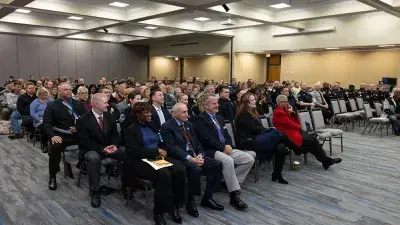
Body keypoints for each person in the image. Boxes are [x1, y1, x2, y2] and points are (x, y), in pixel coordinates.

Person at [124, 102, 187, 225]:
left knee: (180, 169)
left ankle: (176, 205)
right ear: (137, 114)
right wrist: (155, 151)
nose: (149, 114)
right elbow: (133, 151)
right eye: (146, 112)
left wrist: (163, 150)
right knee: (164, 174)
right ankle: (159, 211)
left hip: (158, 157)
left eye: (150, 111)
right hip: (142, 160)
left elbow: (161, 141)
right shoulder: (131, 130)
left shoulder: (152, 125)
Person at [161, 103, 224, 218]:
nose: (187, 115)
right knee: (195, 169)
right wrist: (191, 158)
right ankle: (190, 201)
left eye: (187, 111)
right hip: (179, 157)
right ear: (174, 114)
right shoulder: (167, 126)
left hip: (194, 155)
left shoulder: (189, 125)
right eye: (184, 112)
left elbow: (197, 142)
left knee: (217, 164)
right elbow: (172, 148)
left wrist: (200, 155)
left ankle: (208, 198)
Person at [194, 94, 255, 211]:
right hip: (211, 150)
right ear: (206, 106)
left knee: (249, 159)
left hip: (225, 148)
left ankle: (227, 182)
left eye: (217, 103)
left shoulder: (219, 118)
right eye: (213, 103)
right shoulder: (200, 119)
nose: (217, 105)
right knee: (228, 161)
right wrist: (223, 147)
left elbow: (227, 135)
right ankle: (234, 195)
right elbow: (206, 139)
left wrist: (227, 145)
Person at [76, 93, 125, 208]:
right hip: (92, 150)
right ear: (96, 104)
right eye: (105, 102)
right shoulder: (83, 120)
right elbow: (83, 142)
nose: (108, 104)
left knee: (124, 151)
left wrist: (114, 145)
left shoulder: (109, 116)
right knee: (93, 158)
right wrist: (102, 149)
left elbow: (115, 135)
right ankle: (95, 190)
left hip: (108, 147)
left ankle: (127, 185)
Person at [273, 95, 342, 170]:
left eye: (287, 101)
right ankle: (326, 161)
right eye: (285, 101)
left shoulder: (285, 111)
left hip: (294, 133)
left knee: (313, 141)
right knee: (314, 141)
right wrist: (298, 126)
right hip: (289, 137)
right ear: (280, 103)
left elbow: (296, 123)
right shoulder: (279, 113)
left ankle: (326, 161)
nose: (287, 103)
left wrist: (292, 113)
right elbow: (293, 125)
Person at [235, 92, 290, 184]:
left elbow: (259, 127)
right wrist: (268, 130)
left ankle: (277, 174)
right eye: (252, 100)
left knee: (281, 147)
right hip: (247, 142)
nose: (255, 101)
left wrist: (268, 131)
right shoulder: (243, 115)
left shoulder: (253, 112)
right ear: (246, 103)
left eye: (254, 99)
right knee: (279, 134)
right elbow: (252, 129)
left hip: (257, 138)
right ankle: (293, 146)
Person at [43, 82, 87, 191]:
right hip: (60, 135)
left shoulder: (78, 104)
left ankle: (83, 164)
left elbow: (87, 119)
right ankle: (52, 176)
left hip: (77, 135)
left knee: (92, 141)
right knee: (55, 147)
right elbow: (47, 123)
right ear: (59, 91)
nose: (68, 91)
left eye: (69, 89)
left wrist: (79, 127)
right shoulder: (52, 105)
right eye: (65, 89)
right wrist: (53, 136)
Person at [30, 87, 53, 153]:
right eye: (42, 93)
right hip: (39, 121)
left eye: (45, 93)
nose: (44, 94)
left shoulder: (50, 100)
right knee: (44, 127)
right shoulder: (34, 102)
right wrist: (40, 120)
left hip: (50, 119)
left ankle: (54, 144)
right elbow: (33, 114)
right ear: (39, 94)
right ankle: (45, 145)